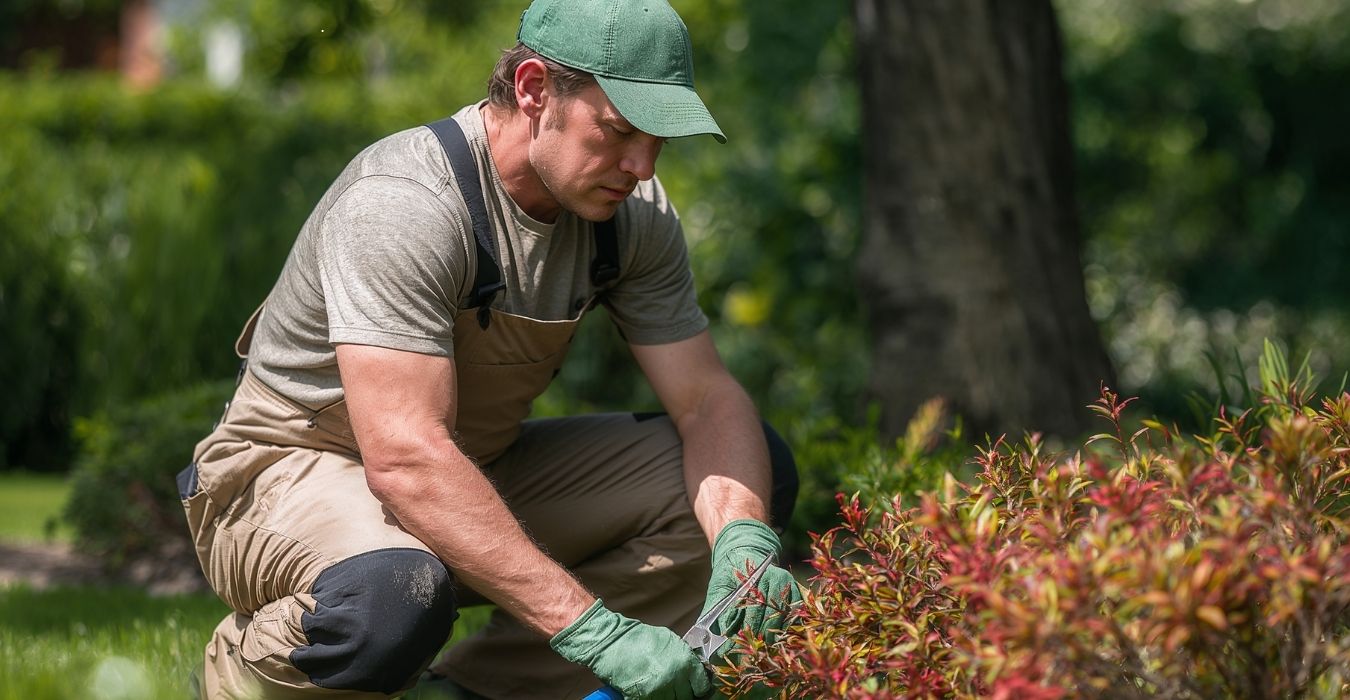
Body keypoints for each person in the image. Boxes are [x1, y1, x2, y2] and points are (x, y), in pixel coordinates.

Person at [178, 0, 801, 698]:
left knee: (745, 475)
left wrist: (744, 539)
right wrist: (594, 630)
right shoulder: (406, 201)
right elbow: (407, 458)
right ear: (534, 89)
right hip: (285, 471)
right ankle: (240, 672)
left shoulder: (632, 218)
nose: (642, 165)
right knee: (392, 597)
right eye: (620, 130)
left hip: (467, 464)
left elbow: (707, 399)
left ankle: (478, 689)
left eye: (660, 139)